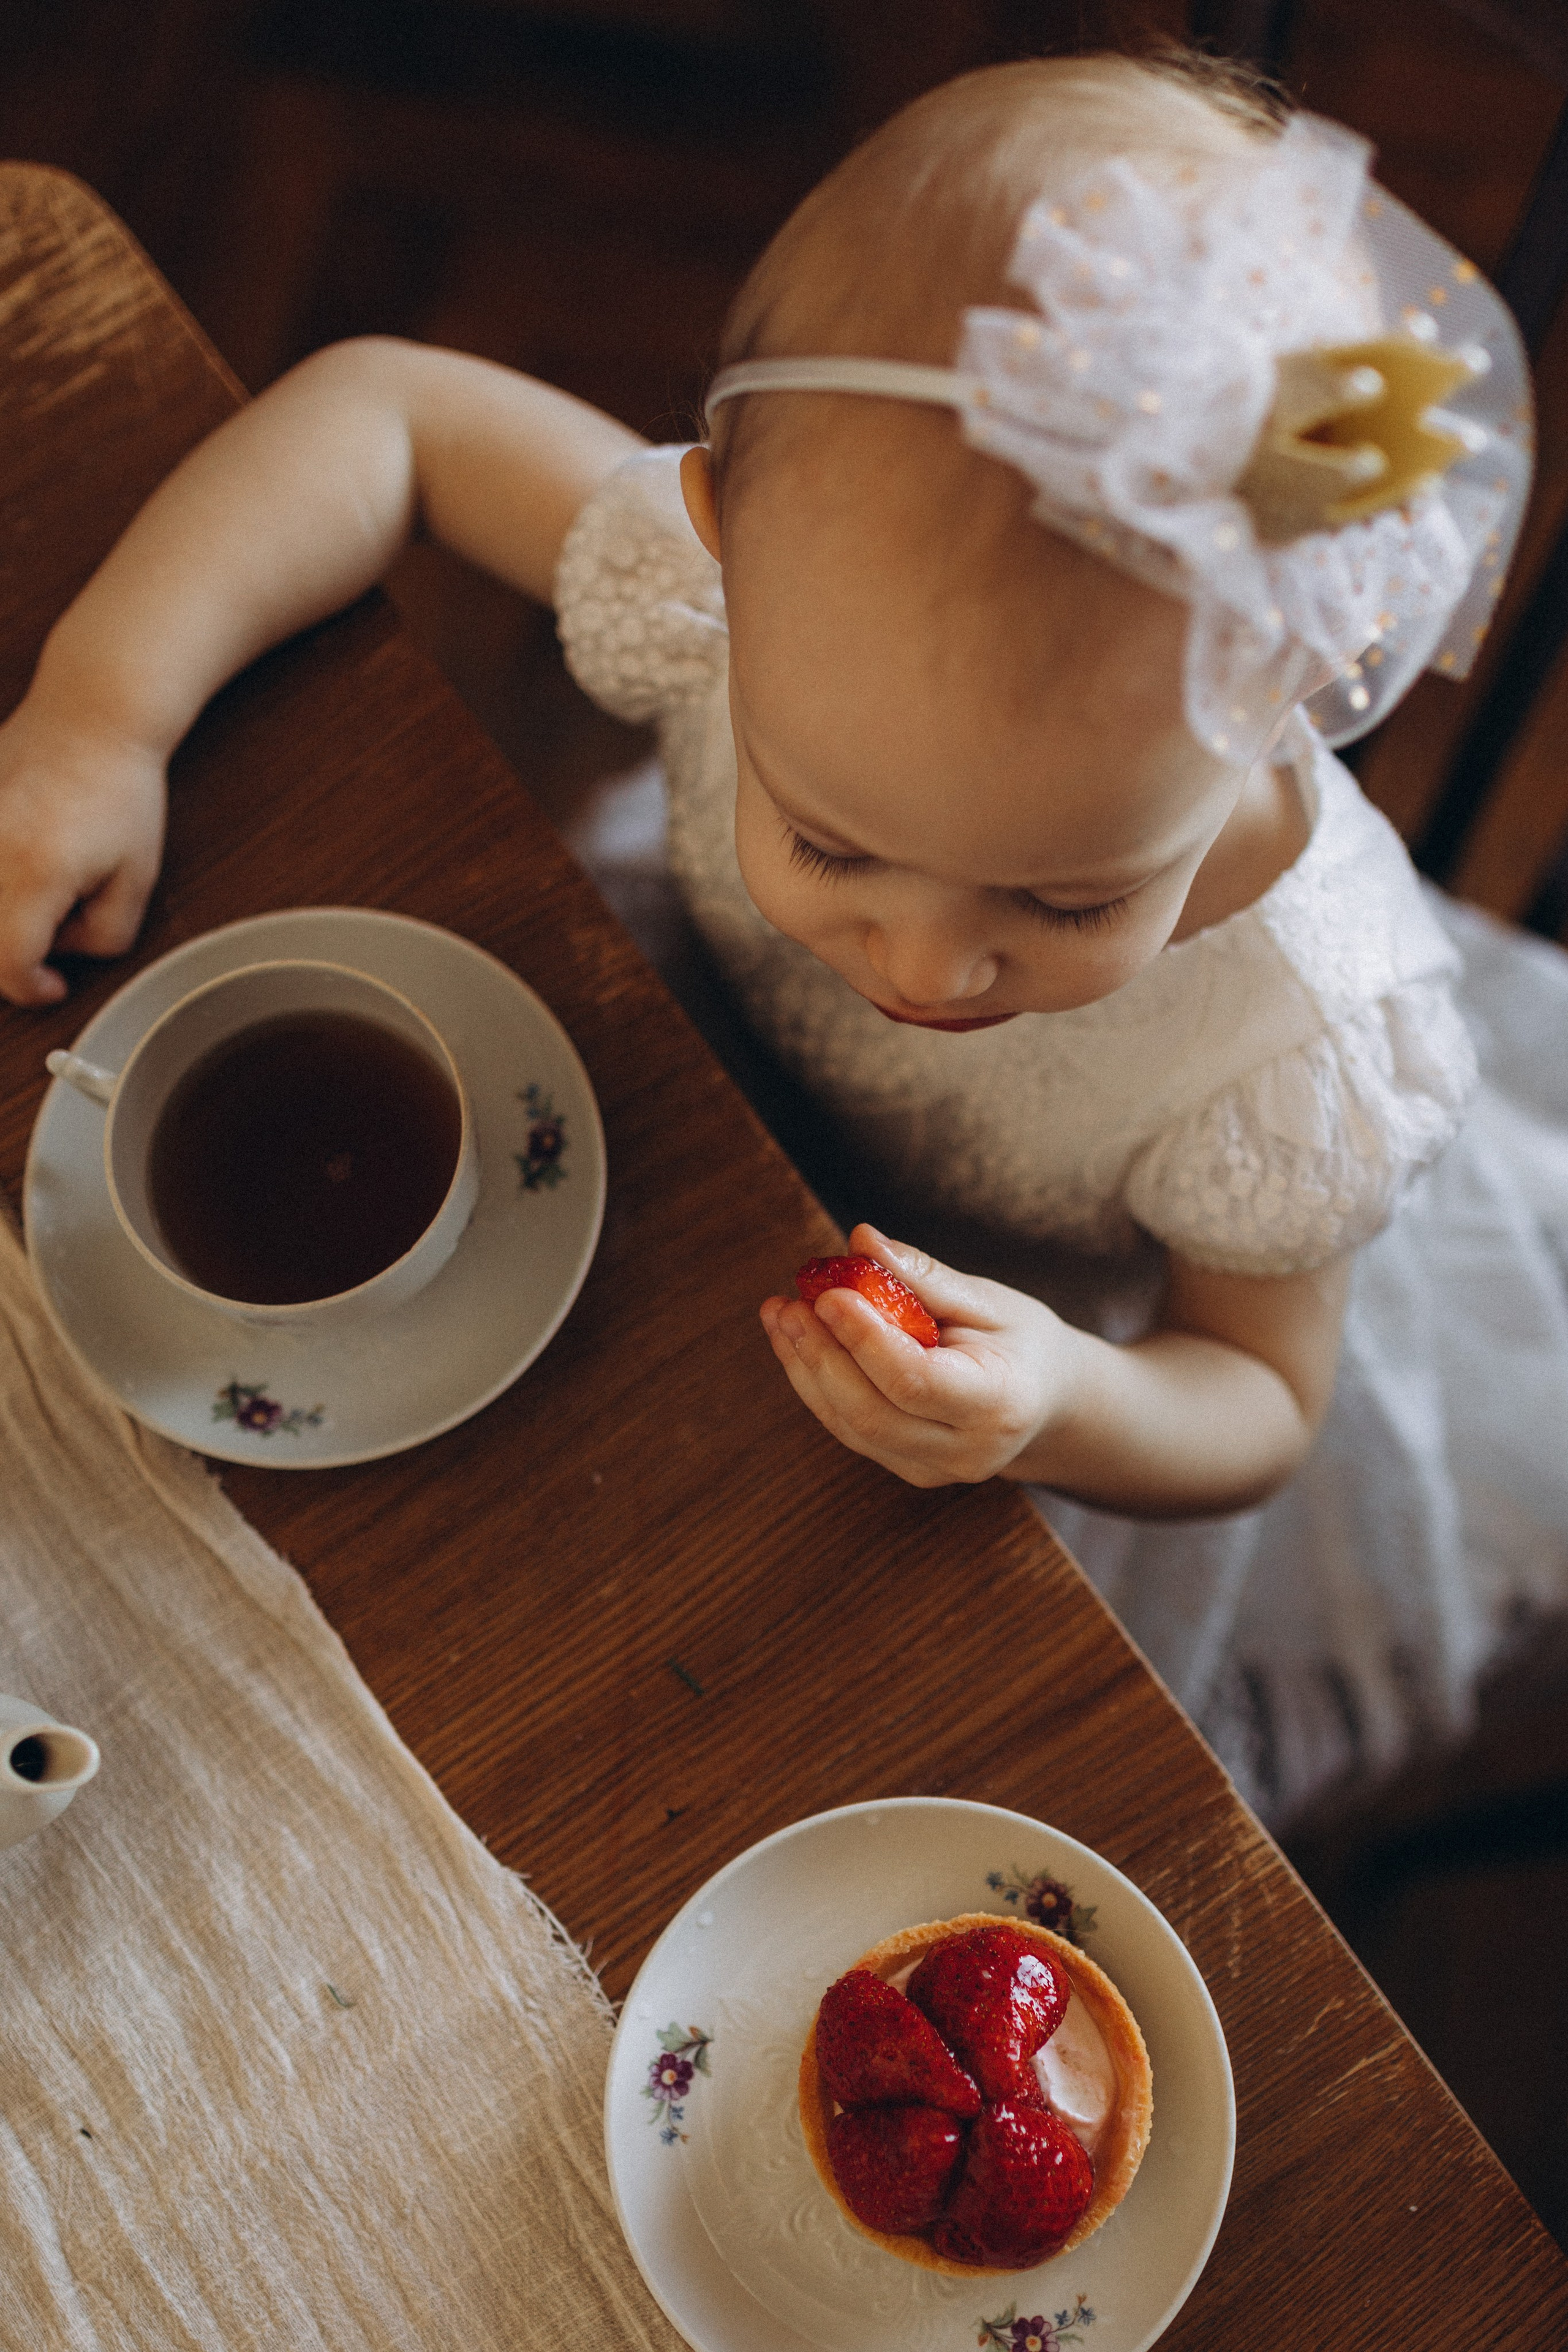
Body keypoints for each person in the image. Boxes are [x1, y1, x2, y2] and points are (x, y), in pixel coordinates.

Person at [2, 51, 1565, 1819]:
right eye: (829, 838)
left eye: (1067, 899)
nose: (918, 966)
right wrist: (101, 716)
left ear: (1293, 687)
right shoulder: (748, 582)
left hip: (1003, 1344)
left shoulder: (1296, 1054)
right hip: (681, 1083)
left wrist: (1058, 1400)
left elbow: (1257, 1405)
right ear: (722, 538)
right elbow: (386, 414)